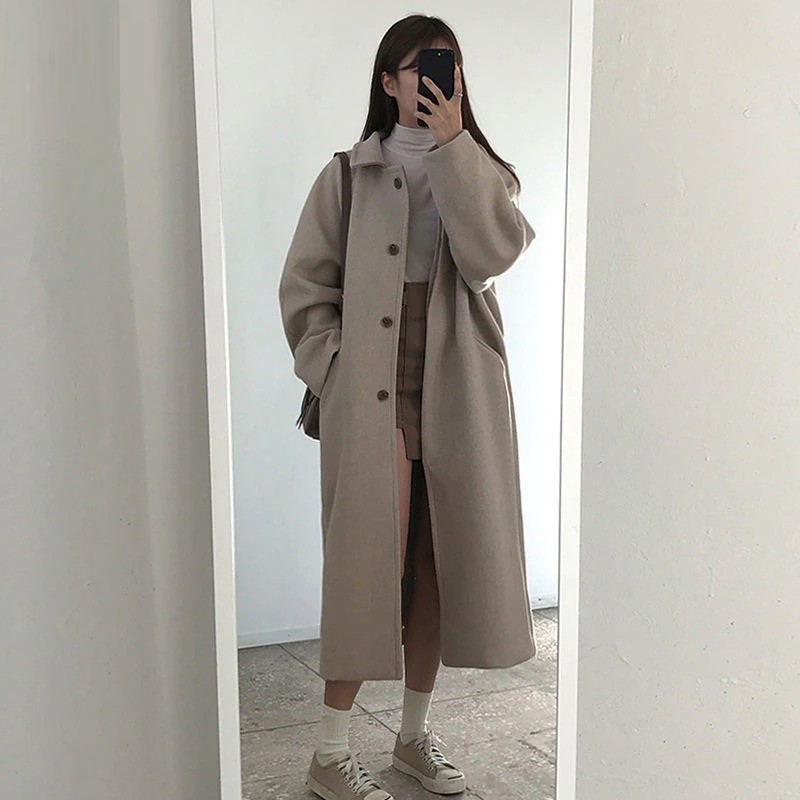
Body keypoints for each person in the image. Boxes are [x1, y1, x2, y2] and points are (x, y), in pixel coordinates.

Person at [278, 14, 536, 800]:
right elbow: (304, 288)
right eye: (418, 65)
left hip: (458, 385)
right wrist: (337, 369)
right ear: (387, 81)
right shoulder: (346, 176)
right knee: (370, 566)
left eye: (446, 64)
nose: (432, 77)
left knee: (434, 567)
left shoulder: (485, 171)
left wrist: (455, 149)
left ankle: (412, 739)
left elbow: (491, 257)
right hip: (371, 388)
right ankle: (329, 753)